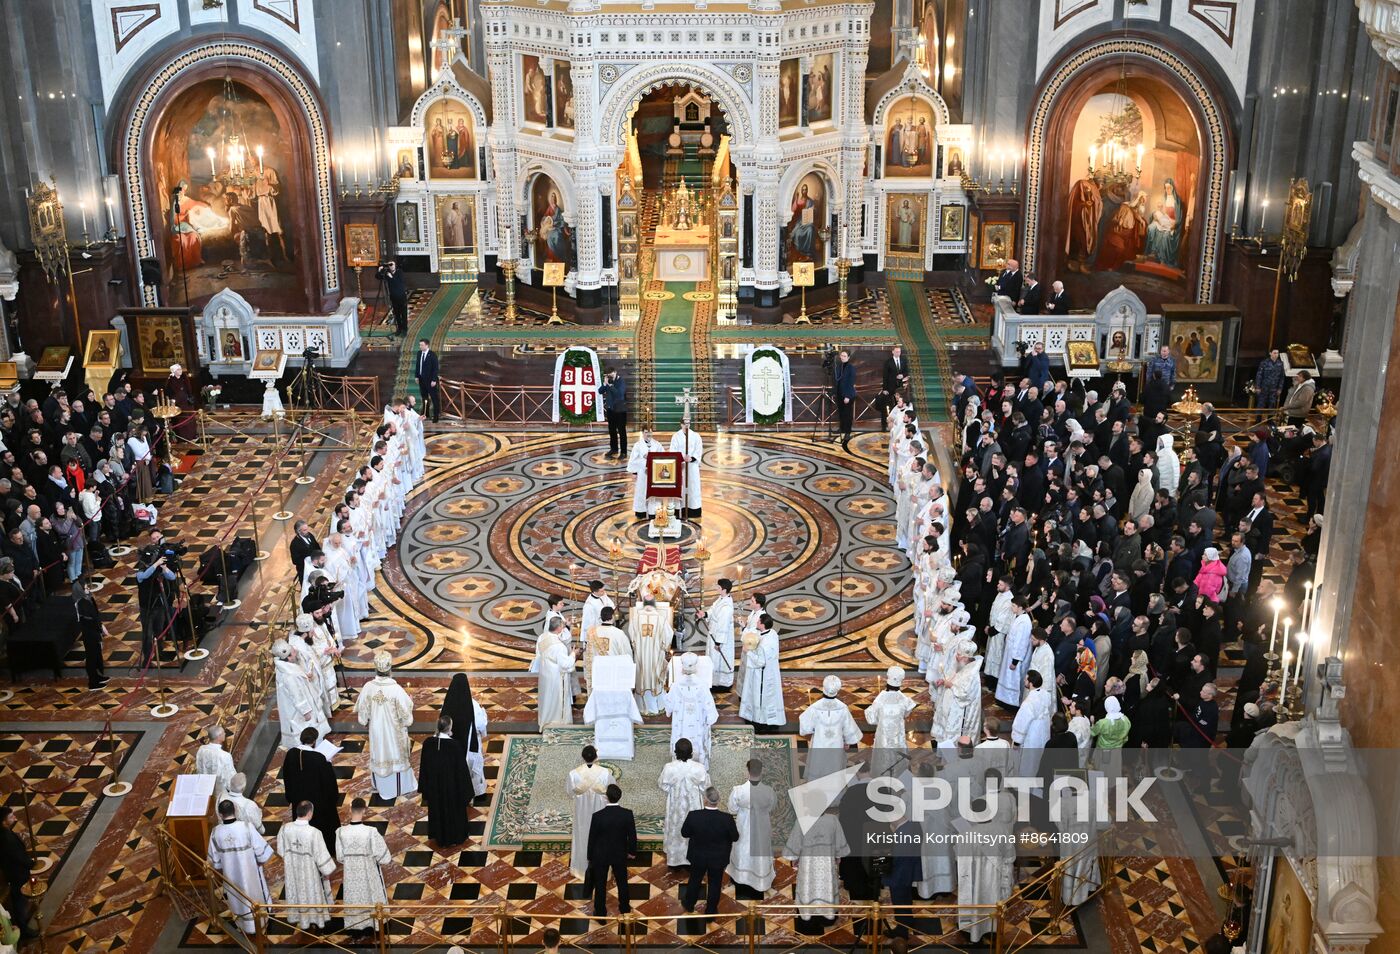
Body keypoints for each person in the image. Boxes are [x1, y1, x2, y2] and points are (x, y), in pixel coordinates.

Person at [355, 651, 418, 800]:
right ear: (390, 669)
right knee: (396, 757)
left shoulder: (368, 687)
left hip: (377, 733)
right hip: (394, 735)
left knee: (380, 755)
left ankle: (381, 786)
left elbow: (362, 717)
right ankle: (400, 788)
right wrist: (410, 702)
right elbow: (407, 719)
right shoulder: (396, 690)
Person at [207, 799, 272, 936]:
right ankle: (259, 924)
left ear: (220, 814)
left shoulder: (216, 833)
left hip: (231, 876)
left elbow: (215, 862)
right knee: (254, 896)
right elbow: (261, 851)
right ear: (235, 810)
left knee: (237, 898)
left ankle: (244, 925)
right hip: (250, 873)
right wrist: (260, 861)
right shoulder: (246, 827)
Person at [278, 726, 341, 852]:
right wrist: (328, 764)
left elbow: (287, 776)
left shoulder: (291, 754)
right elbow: (328, 782)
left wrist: (290, 796)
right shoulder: (318, 758)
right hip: (317, 803)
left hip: (299, 799)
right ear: (313, 742)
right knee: (323, 827)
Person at [277, 800, 337, 930]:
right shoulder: (314, 833)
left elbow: (281, 851)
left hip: (293, 872)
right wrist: (328, 870)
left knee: (298, 894)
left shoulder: (285, 829)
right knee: (311, 894)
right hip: (310, 874)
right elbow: (322, 859)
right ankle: (315, 920)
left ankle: (301, 920)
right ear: (310, 813)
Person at [336, 798, 391, 936]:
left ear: (350, 809)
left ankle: (355, 925)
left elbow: (339, 857)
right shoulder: (371, 832)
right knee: (371, 896)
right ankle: (374, 924)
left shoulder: (340, 832)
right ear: (364, 810)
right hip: (369, 872)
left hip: (350, 874)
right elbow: (385, 858)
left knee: (354, 897)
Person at [681, 787, 740, 915]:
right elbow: (735, 837)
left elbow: (684, 833)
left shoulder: (694, 815)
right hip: (718, 858)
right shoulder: (727, 818)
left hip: (698, 856)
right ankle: (711, 911)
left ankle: (689, 904)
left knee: (695, 880)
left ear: (705, 800)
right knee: (715, 883)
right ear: (718, 801)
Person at [418, 715, 475, 848]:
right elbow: (461, 771)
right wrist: (466, 791)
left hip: (435, 788)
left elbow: (424, 767)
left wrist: (426, 788)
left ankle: (440, 836)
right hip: (452, 789)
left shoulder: (428, 743)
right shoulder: (454, 745)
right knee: (453, 813)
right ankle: (455, 836)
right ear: (449, 728)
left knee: (438, 812)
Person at [586, 783, 637, 918]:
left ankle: (601, 913)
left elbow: (592, 837)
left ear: (607, 798)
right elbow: (632, 835)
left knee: (600, 884)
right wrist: (632, 852)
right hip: (619, 854)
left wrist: (590, 856)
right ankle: (625, 908)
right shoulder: (627, 814)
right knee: (622, 882)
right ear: (619, 797)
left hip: (600, 855)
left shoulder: (597, 816)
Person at [659, 738, 711, 867]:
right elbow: (706, 786)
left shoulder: (669, 767)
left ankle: (674, 860)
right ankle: (692, 858)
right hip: (694, 806)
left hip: (675, 805)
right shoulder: (699, 768)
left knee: (676, 827)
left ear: (675, 752)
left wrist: (673, 790)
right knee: (694, 829)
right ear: (691, 752)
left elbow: (663, 785)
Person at [798, 675, 862, 779]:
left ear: (824, 688)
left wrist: (814, 728)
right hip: (836, 747)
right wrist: (847, 742)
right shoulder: (843, 708)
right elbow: (849, 731)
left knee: (819, 770)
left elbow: (805, 728)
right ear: (837, 690)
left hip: (819, 746)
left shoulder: (815, 707)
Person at [271, 640, 331, 748]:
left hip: (304, 707)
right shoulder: (289, 675)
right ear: (288, 657)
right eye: (293, 652)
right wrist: (306, 711)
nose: (296, 652)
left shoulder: (285, 667)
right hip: (302, 712)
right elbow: (296, 694)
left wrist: (304, 676)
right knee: (310, 736)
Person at [567, 745, 614, 879]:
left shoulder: (573, 774)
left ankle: (580, 869)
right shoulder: (605, 773)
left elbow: (570, 792)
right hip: (601, 812)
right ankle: (602, 870)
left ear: (582, 757)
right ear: (596, 757)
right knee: (602, 839)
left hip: (582, 813)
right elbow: (612, 789)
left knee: (582, 837)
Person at [665, 653, 719, 767]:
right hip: (697, 726)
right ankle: (699, 763)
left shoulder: (675, 686)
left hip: (681, 726)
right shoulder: (703, 686)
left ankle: (679, 762)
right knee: (698, 739)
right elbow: (711, 712)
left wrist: (669, 711)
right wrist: (709, 719)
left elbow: (668, 707)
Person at [442, 673, 489, 796]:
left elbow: (442, 722)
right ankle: (475, 791)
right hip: (469, 746)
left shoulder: (447, 702)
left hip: (450, 747)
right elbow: (480, 725)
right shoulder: (473, 705)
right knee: (471, 769)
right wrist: (484, 713)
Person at [864, 667, 916, 776]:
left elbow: (871, 719)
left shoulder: (880, 699)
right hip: (898, 737)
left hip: (884, 738)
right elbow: (906, 714)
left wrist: (871, 709)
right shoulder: (905, 700)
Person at [738, 614, 785, 729]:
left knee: (761, 696)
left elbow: (760, 662)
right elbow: (755, 635)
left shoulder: (765, 644)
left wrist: (747, 651)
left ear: (763, 624)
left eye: (758, 621)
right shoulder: (772, 633)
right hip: (771, 672)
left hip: (762, 675)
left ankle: (760, 719)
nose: (757, 622)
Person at [629, 596, 672, 715]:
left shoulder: (636, 618)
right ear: (654, 604)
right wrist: (664, 647)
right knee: (654, 676)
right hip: (655, 654)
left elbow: (632, 636)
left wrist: (636, 645)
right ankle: (656, 706)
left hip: (641, 655)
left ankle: (641, 707)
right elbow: (668, 635)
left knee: (641, 676)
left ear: (643, 603)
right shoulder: (660, 618)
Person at [537, 617, 578, 728]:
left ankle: (545, 719)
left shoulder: (542, 637)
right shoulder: (559, 646)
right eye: (563, 626)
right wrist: (574, 654)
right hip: (556, 676)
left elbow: (539, 654)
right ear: (559, 628)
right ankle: (558, 722)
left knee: (547, 698)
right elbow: (566, 665)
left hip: (545, 672)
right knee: (557, 699)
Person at [696, 577, 736, 688]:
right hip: (714, 633)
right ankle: (713, 680)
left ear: (724, 590)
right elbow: (712, 610)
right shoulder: (721, 599)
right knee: (713, 658)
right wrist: (704, 614)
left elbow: (723, 626)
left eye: (718, 587)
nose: (716, 588)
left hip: (720, 637)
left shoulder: (726, 607)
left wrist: (718, 643)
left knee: (717, 659)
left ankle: (720, 683)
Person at [73, 579, 109, 689]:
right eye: (85, 588)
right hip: (90, 634)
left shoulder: (88, 599)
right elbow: (91, 619)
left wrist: (100, 626)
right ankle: (93, 683)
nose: (88, 589)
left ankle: (97, 676)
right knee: (92, 657)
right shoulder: (82, 603)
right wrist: (101, 628)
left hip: (94, 632)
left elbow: (95, 615)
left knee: (96, 654)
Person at [626, 427, 664, 520]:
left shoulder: (657, 445)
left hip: (654, 473)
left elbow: (663, 457)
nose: (648, 434)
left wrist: (654, 456)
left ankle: (653, 511)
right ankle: (641, 511)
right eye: (646, 432)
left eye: (650, 432)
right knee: (641, 491)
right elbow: (633, 459)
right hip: (642, 473)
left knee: (654, 492)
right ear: (643, 433)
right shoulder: (638, 445)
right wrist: (635, 471)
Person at [668, 421, 704, 519]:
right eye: (684, 423)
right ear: (681, 424)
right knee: (681, 488)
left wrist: (692, 458)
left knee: (693, 488)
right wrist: (682, 457)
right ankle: (681, 509)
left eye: (688, 423)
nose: (686, 425)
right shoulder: (676, 436)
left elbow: (699, 449)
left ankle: (693, 510)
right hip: (681, 466)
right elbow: (672, 450)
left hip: (692, 467)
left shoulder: (696, 436)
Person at [194, 725, 236, 808]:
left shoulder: (201, 749)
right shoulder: (224, 755)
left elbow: (199, 767)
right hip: (220, 792)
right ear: (219, 737)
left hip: (205, 787)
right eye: (224, 733)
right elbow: (230, 777)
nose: (225, 734)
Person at [599, 369, 628, 459]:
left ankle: (623, 452)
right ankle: (614, 449)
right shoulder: (608, 382)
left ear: (615, 372)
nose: (610, 376)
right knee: (612, 431)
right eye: (608, 374)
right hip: (610, 410)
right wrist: (604, 384)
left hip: (620, 411)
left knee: (621, 431)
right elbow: (600, 391)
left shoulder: (621, 381)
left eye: (611, 374)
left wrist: (610, 385)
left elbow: (620, 395)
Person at [878, 345, 910, 420]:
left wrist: (902, 375)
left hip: (900, 387)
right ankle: (888, 422)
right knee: (890, 405)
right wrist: (885, 388)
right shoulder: (888, 362)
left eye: (899, 352)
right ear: (892, 352)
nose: (898, 353)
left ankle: (899, 420)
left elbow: (906, 371)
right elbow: (885, 376)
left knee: (900, 404)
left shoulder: (903, 360)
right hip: (890, 387)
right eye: (896, 352)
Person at [833, 349, 856, 451]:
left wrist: (847, 396)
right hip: (839, 394)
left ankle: (847, 432)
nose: (842, 357)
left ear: (848, 357)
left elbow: (851, 382)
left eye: (844, 356)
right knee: (841, 413)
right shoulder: (839, 366)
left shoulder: (851, 367)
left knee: (847, 414)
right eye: (841, 356)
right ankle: (842, 428)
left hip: (847, 395)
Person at [378, 260, 409, 336]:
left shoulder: (399, 272)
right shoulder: (387, 273)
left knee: (403, 314)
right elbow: (378, 277)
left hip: (401, 296)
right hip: (393, 297)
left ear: (395, 265)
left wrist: (391, 277)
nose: (391, 266)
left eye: (392, 265)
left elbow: (398, 283)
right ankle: (399, 328)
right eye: (390, 265)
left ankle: (405, 329)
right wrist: (379, 271)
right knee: (397, 314)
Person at [414, 338, 440, 423]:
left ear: (427, 345)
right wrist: (416, 376)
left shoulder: (432, 355)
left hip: (430, 381)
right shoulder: (419, 353)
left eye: (422, 345)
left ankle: (436, 416)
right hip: (421, 380)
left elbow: (435, 368)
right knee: (424, 397)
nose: (420, 346)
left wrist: (434, 379)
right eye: (420, 345)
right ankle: (426, 413)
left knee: (434, 398)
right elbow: (418, 365)